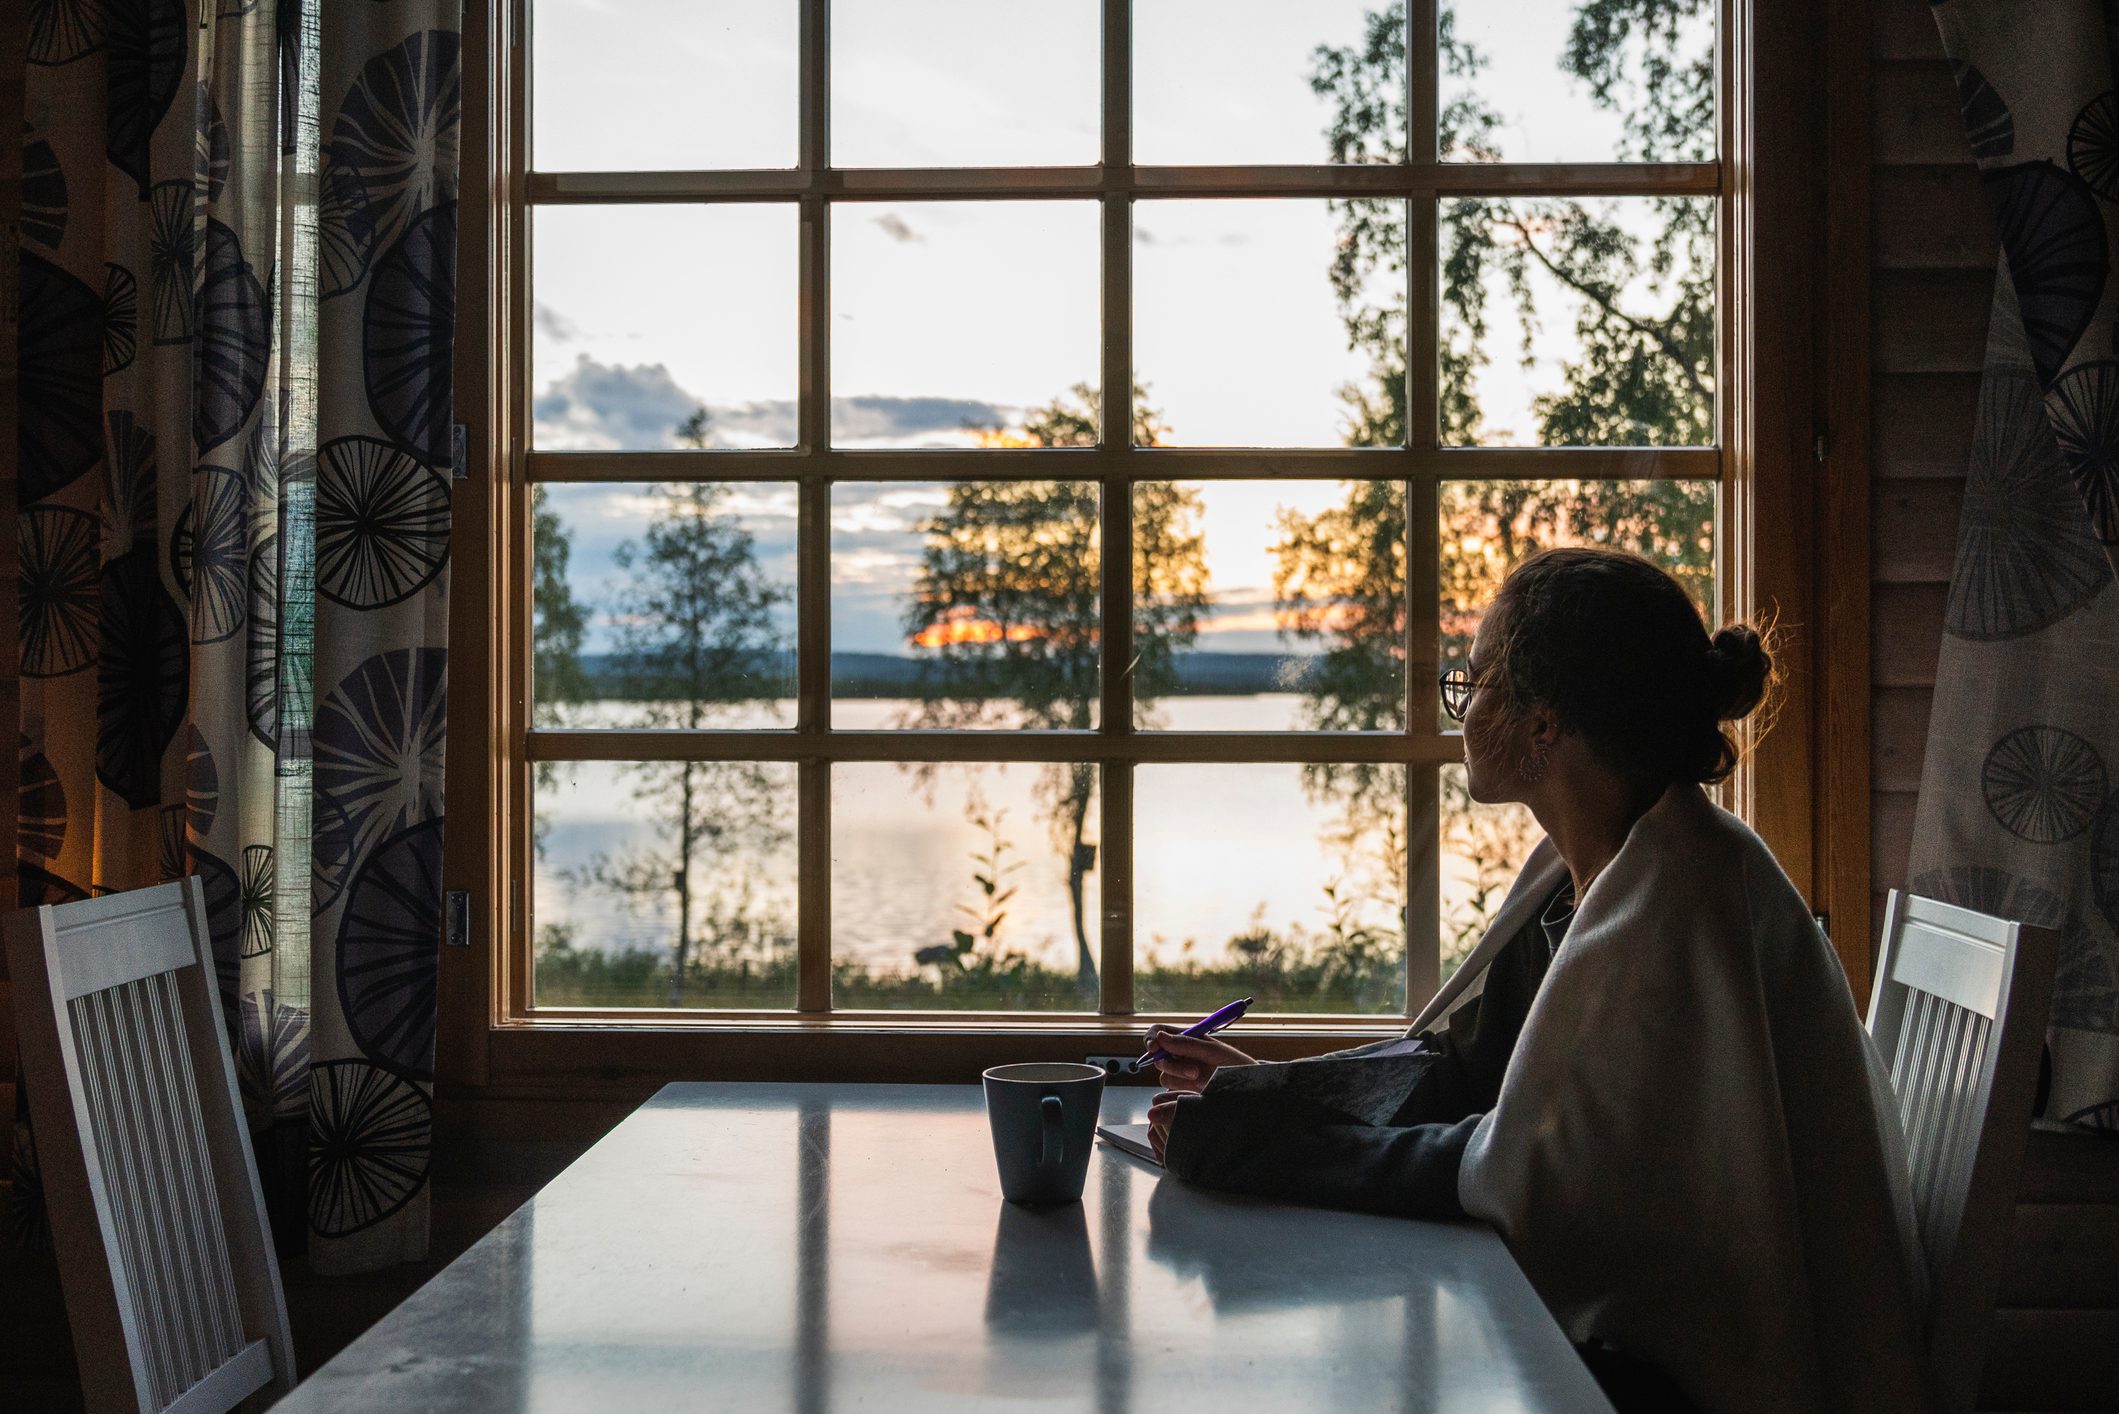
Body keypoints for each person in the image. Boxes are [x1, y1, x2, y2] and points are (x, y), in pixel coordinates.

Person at [1143, 547, 1932, 1414]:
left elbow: (1523, 1183)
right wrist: (1278, 1098)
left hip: (1700, 1383)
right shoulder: (1592, 871)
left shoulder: (1674, 906)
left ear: (1543, 723)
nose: (1461, 701)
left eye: (1475, 678)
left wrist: (1252, 1150)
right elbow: (1469, 1072)